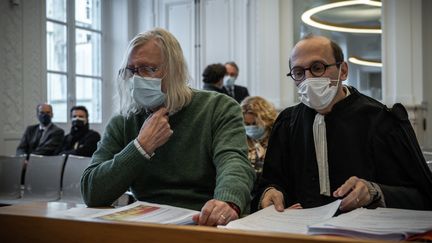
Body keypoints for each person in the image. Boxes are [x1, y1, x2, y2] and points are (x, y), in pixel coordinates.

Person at [81, 28, 255, 226]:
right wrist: (140, 147)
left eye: (149, 68)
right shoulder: (124, 120)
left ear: (175, 71)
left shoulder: (218, 107)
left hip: (205, 220)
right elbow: (91, 191)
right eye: (132, 70)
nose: (137, 78)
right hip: (148, 225)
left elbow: (233, 163)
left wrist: (227, 202)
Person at [253, 35, 432, 213]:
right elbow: (270, 183)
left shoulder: (381, 120)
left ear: (343, 71)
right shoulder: (287, 123)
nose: (308, 79)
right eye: (299, 73)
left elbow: (423, 196)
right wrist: (270, 194)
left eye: (317, 68)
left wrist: (375, 192)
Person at [240, 96, 277, 177]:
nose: (251, 128)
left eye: (254, 124)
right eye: (247, 124)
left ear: (266, 120)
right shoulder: (240, 139)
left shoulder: (278, 138)